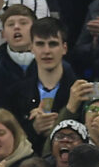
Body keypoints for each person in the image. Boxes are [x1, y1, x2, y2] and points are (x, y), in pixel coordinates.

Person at [6, 17, 78, 151]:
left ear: (64, 48)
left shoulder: (80, 93)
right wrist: (33, 128)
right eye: (40, 44)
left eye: (53, 44)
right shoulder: (14, 94)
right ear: (31, 48)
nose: (46, 51)